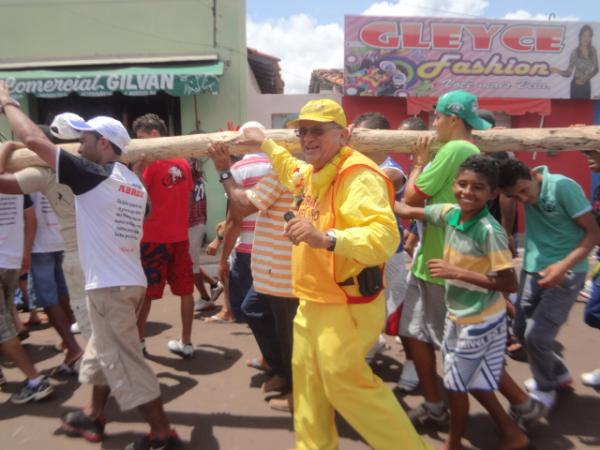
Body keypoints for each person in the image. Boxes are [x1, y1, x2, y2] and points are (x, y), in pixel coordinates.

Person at [0, 82, 182, 449]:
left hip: (110, 287)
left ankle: (163, 434)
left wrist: (6, 102)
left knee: (126, 361)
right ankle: (93, 414)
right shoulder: (132, 181)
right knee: (103, 350)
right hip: (128, 282)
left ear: (103, 144)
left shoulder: (92, 174)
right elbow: (139, 219)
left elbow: (34, 141)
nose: (78, 146)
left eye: (84, 139)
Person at [240, 99, 430, 450]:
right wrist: (264, 141)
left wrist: (325, 238)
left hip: (346, 304)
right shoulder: (315, 172)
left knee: (346, 384)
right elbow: (288, 168)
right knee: (310, 388)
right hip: (313, 301)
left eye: (317, 131)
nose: (307, 139)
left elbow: (384, 237)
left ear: (343, 134)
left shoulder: (357, 176)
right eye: (302, 132)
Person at [399, 154, 530, 450]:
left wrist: (457, 272)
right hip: (464, 316)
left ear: (493, 193)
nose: (467, 192)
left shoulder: (489, 231)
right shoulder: (450, 213)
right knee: (479, 380)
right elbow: (406, 208)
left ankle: (453, 443)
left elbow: (509, 283)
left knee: (456, 386)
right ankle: (513, 434)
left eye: (478, 188)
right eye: (462, 184)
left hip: (477, 321)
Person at [401, 90, 490, 425]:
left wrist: (419, 163)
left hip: (444, 264)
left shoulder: (456, 148)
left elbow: (412, 196)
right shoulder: (459, 147)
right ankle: (435, 404)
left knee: (454, 349)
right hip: (431, 258)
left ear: (452, 119)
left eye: (436, 117)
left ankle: (515, 408)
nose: (433, 123)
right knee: (414, 333)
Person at [497, 157, 600, 412]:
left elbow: (593, 233)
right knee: (520, 330)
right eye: (515, 196)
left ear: (533, 174)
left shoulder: (563, 187)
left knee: (537, 336)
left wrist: (563, 266)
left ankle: (546, 388)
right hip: (533, 268)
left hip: (567, 273)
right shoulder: (520, 190)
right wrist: (507, 233)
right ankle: (559, 374)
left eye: (524, 191)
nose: (524, 200)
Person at [209, 124, 299, 412]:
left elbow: (240, 208)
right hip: (270, 266)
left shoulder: (288, 172)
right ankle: (282, 371)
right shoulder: (283, 170)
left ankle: (299, 390)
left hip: (284, 269)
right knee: (254, 310)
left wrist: (224, 170)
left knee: (289, 333)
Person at [0, 115, 91, 344]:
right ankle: (70, 342)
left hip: (42, 245)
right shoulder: (82, 167)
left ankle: (72, 347)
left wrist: (8, 147)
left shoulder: (37, 172)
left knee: (47, 299)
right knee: (66, 295)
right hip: (68, 243)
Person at [132, 113, 196, 359]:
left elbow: (137, 195)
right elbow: (189, 199)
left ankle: (138, 342)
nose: (138, 144)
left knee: (146, 293)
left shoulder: (149, 164)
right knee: (185, 290)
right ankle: (187, 342)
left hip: (152, 239)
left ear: (154, 135)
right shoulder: (183, 162)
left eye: (140, 138)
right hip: (179, 237)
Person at [0, 192, 53, 403]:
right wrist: (25, 251)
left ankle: (35, 380)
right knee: (5, 319)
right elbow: (30, 217)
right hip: (11, 259)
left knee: (3, 328)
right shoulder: (12, 183)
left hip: (9, 259)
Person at [188, 156, 223, 312]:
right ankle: (214, 285)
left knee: (190, 266)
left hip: (192, 225)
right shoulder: (200, 179)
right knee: (191, 264)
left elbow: (188, 204)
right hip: (198, 223)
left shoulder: (190, 180)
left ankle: (205, 297)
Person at [551, 24, 599, 99]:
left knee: (586, 109)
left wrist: (586, 79)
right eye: (584, 35)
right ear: (580, 36)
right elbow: (568, 73)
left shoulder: (593, 50)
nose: (586, 38)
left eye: (589, 36)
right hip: (576, 86)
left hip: (586, 85)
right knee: (575, 109)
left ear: (591, 38)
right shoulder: (575, 52)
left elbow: (596, 69)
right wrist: (557, 71)